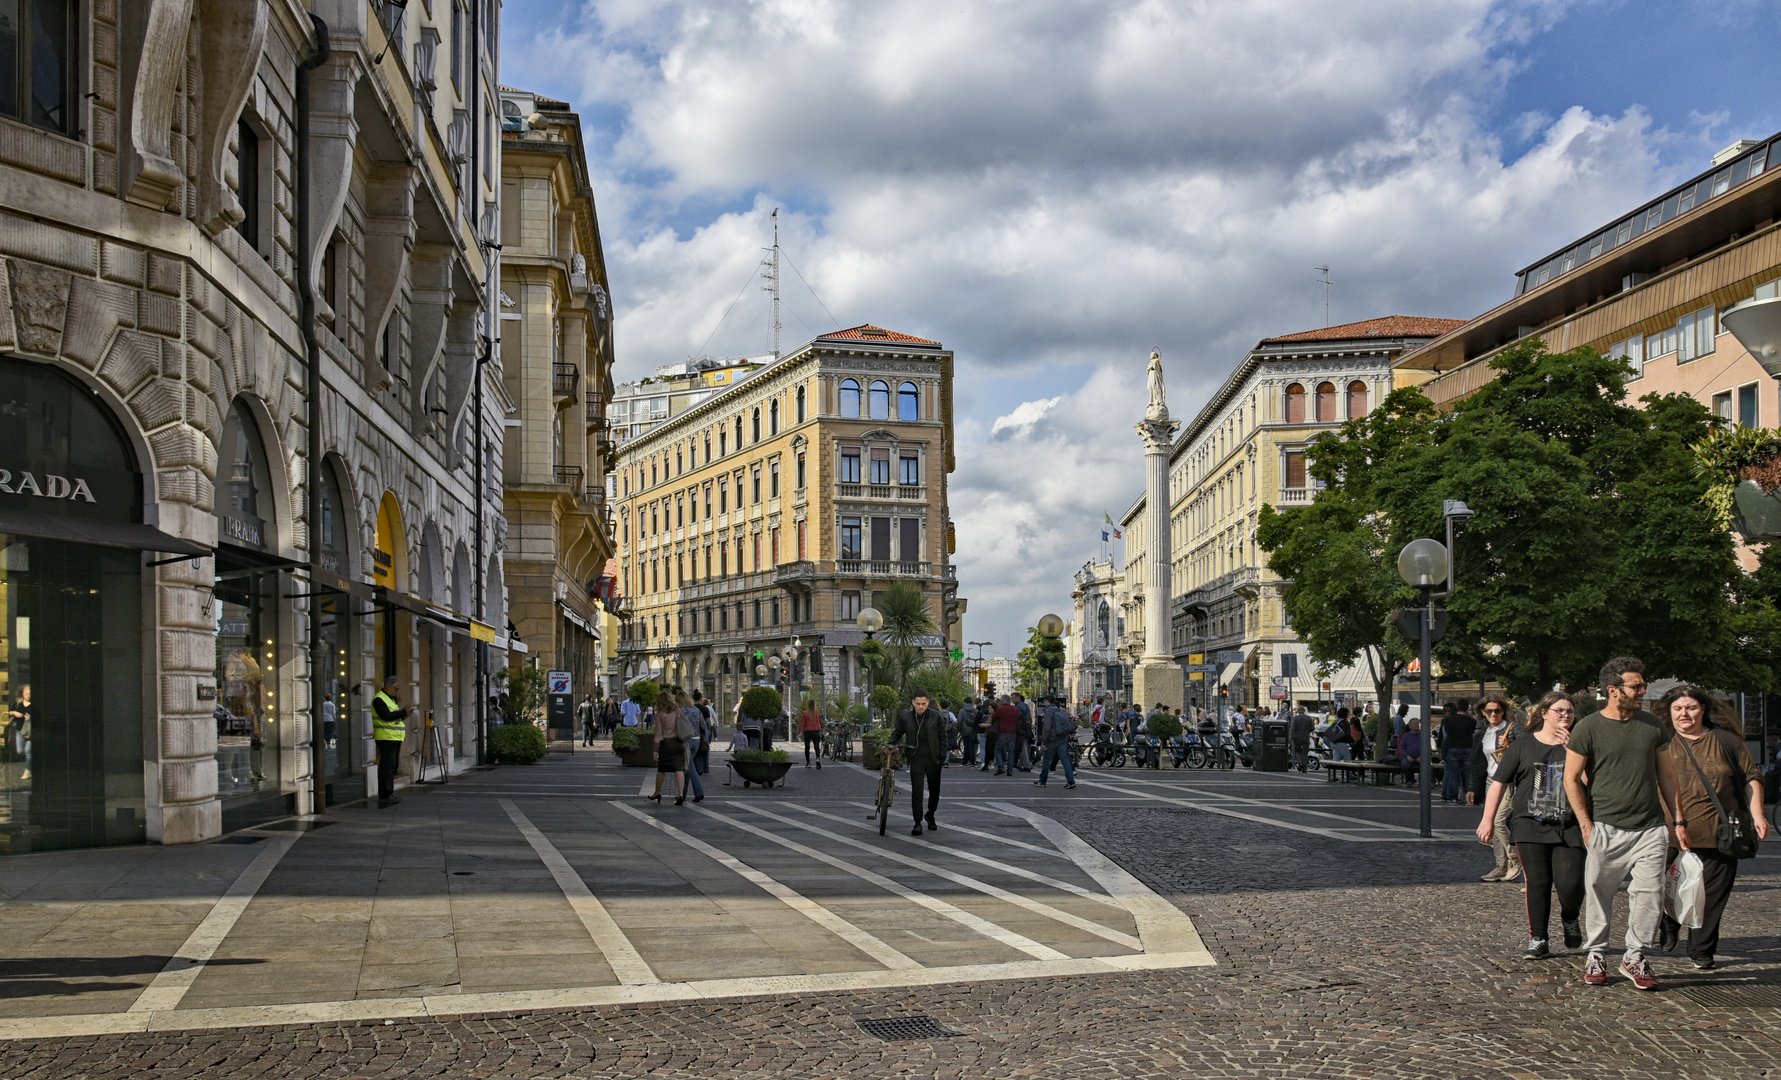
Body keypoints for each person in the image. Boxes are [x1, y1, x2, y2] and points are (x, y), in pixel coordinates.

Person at [1563, 656, 1687, 991]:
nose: (1643, 691)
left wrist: (1677, 820)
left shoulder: (1652, 726)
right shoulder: (1588, 727)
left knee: (1649, 893)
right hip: (1606, 826)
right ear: (1613, 690)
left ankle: (1635, 956)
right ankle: (1597, 953)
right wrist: (1587, 825)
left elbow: (1667, 774)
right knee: (1599, 892)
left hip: (1650, 828)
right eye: (1637, 686)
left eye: (1643, 685)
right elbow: (1571, 779)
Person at [1656, 685, 1770, 970]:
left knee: (1712, 896)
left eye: (1691, 707)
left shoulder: (1725, 740)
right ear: (1669, 712)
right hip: (1667, 832)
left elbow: (1750, 775)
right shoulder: (1660, 741)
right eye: (1678, 708)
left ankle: (1701, 949)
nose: (1685, 714)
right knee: (1661, 888)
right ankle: (1669, 922)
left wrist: (1758, 815)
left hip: (1720, 833)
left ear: (1703, 709)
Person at [1477, 691, 1582, 960]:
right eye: (1560, 711)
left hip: (1569, 824)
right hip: (1529, 824)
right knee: (1538, 882)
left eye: (1569, 711)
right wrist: (1487, 819)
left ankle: (1570, 917)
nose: (1565, 716)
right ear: (1544, 714)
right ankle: (1539, 938)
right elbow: (1499, 783)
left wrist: (1574, 751)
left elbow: (1591, 782)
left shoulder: (1580, 744)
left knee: (1569, 884)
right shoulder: (1523, 745)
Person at [1472, 693, 1522, 882]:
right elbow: (1476, 761)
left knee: (1499, 821)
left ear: (1503, 711)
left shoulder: (1512, 728)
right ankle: (1501, 864)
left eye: (1497, 710)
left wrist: (1509, 746)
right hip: (1491, 781)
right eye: (1489, 711)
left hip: (1509, 780)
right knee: (1490, 822)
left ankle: (1514, 858)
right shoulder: (1482, 732)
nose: (1494, 714)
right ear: (1483, 712)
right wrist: (1472, 787)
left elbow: (1524, 751)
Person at [892, 693, 946, 835]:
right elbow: (897, 733)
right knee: (917, 791)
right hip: (916, 758)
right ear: (913, 703)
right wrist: (891, 743)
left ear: (927, 702)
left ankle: (930, 814)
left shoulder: (936, 716)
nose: (920, 707)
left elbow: (943, 736)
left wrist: (942, 756)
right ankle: (917, 822)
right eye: (918, 704)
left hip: (933, 759)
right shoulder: (906, 717)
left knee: (935, 791)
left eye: (923, 704)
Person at [649, 691, 693, 806]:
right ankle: (680, 795)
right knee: (678, 769)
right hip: (678, 742)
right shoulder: (677, 711)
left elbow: (658, 733)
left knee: (661, 769)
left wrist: (655, 749)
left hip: (666, 744)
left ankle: (657, 792)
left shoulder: (659, 714)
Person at [371, 676, 408, 807]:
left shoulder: (390, 699)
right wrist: (403, 712)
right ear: (389, 686)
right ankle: (385, 794)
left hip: (394, 737)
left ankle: (389, 793)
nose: (397, 691)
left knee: (392, 766)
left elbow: (393, 717)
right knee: (387, 767)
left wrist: (403, 714)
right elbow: (386, 716)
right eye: (396, 688)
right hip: (386, 737)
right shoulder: (379, 699)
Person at [1034, 696, 1078, 788]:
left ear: (1047, 702)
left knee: (1046, 760)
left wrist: (1045, 742)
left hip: (1052, 739)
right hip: (1062, 738)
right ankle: (1071, 781)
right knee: (1065, 759)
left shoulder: (1049, 712)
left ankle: (1042, 781)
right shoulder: (1060, 711)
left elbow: (1046, 728)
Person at [1440, 701, 1477, 804]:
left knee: (1453, 774)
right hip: (1467, 748)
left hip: (1453, 747)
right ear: (1467, 708)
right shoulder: (1471, 721)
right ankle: (1467, 795)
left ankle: (1453, 797)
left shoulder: (1448, 720)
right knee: (1468, 774)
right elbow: (1472, 735)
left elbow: (1444, 737)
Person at [679, 692, 707, 804]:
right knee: (688, 767)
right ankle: (683, 794)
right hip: (697, 740)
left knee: (690, 768)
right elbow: (703, 726)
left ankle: (699, 792)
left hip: (686, 741)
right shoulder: (696, 710)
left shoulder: (680, 711)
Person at [690, 690, 715, 781]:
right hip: (703, 731)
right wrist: (709, 730)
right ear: (701, 699)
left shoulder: (691, 708)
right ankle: (703, 768)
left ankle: (695, 767)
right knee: (704, 749)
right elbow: (708, 721)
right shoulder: (705, 709)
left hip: (693, 731)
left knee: (695, 751)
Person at [991, 695, 1019, 775]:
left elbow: (993, 718)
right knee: (1011, 752)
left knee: (998, 750)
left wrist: (999, 707)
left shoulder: (1000, 710)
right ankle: (1010, 770)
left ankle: (1001, 767)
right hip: (1013, 732)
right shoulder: (1014, 709)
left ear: (1003, 701)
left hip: (1003, 732)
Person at [1397, 718, 1423, 785]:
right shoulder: (1406, 736)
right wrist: (1407, 756)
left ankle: (1427, 782)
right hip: (1408, 757)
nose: (1417, 725)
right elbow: (1402, 747)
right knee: (1405, 765)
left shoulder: (1423, 735)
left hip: (1421, 757)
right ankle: (1409, 780)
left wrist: (1422, 756)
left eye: (1417, 723)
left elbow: (1427, 747)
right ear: (1410, 726)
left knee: (1427, 765)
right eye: (1415, 724)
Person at [1012, 692, 1034, 771]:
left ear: (1018, 698)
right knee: (1023, 746)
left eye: (1013, 698)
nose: (1012, 699)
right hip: (1026, 727)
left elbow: (1019, 719)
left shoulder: (1019, 707)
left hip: (1021, 728)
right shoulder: (1025, 705)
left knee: (1023, 746)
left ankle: (1026, 765)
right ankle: (1021, 763)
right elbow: (1029, 718)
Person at [799, 697, 823, 768]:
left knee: (807, 747)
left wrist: (801, 732)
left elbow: (803, 723)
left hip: (807, 732)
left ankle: (808, 763)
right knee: (816, 747)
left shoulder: (805, 713)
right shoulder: (817, 713)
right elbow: (820, 722)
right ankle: (818, 759)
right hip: (816, 731)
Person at [1289, 705, 1313, 772]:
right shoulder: (1309, 718)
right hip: (1306, 737)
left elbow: (1292, 728)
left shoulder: (1295, 718)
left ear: (1298, 711)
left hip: (1297, 737)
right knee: (1305, 753)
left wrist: (1292, 737)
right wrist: (1307, 731)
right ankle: (1305, 768)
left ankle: (1300, 762)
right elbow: (1313, 728)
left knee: (1296, 751)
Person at [958, 697, 981, 767]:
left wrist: (960, 730)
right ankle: (972, 761)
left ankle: (965, 761)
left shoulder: (962, 711)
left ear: (965, 702)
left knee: (966, 746)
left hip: (965, 730)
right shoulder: (975, 711)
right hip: (973, 731)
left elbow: (959, 721)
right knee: (973, 746)